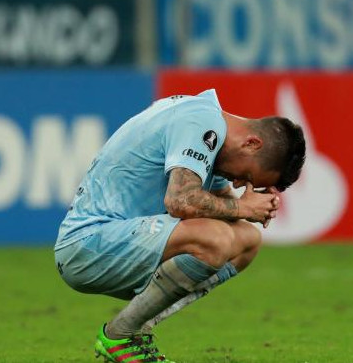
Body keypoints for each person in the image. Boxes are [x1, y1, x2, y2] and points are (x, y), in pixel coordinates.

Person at [55, 89, 306, 363]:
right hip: (87, 244)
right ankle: (121, 336)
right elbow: (180, 200)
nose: (237, 183)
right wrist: (244, 207)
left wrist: (253, 207)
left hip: (120, 241)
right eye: (245, 176)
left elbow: (216, 203)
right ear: (252, 143)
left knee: (246, 240)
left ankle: (131, 331)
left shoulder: (207, 124)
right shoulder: (201, 123)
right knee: (214, 238)